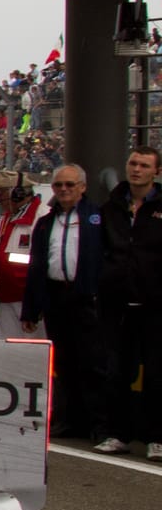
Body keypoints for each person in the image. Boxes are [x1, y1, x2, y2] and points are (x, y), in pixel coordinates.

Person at [21, 164, 106, 447]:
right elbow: (35, 267)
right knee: (64, 363)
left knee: (92, 363)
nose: (64, 190)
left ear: (82, 187)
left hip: (86, 298)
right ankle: (69, 420)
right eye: (59, 185)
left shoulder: (96, 217)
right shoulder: (46, 222)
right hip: (57, 296)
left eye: (70, 185)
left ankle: (99, 423)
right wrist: (31, 308)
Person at [94, 146, 162, 459]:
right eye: (133, 164)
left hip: (154, 306)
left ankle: (155, 437)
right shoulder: (111, 208)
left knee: (156, 374)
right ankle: (116, 434)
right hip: (115, 304)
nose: (137, 170)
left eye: (144, 165)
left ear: (155, 172)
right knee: (116, 371)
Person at [0, 170, 41, 340]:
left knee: (33, 349)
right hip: (7, 295)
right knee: (6, 345)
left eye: (2, 193)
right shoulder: (6, 218)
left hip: (30, 298)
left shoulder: (41, 216)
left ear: (18, 193)